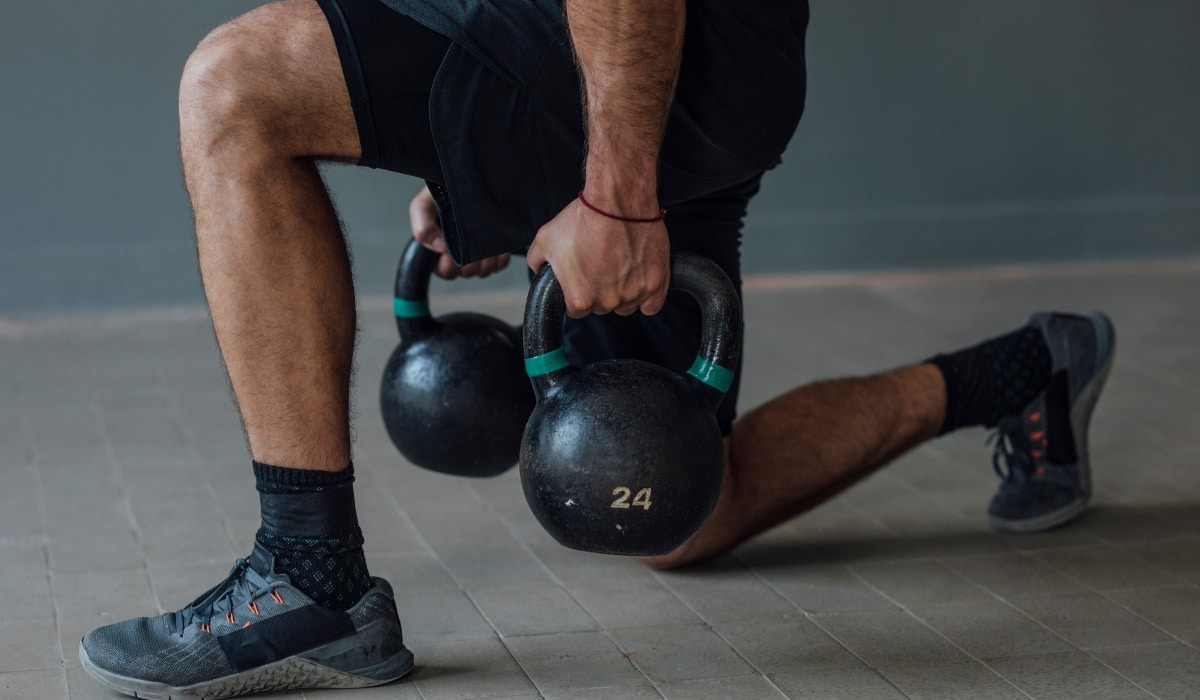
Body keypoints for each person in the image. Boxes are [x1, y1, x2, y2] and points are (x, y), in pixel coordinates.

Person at [78, 0, 1115, 697]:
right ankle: (1025, 370)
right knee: (670, 509)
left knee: (236, 87)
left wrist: (614, 191)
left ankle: (307, 571)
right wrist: (475, 154)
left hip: (656, 47)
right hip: (645, 55)